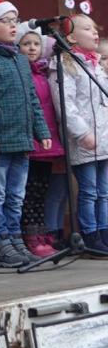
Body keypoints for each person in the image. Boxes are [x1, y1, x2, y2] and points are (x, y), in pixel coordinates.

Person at [0, 0, 52, 267]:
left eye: (15, 21)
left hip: (22, 139)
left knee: (16, 195)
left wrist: (41, 130)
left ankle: (15, 238)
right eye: (5, 21)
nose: (13, 26)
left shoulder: (19, 59)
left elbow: (32, 99)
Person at [49, 13, 108, 253]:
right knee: (89, 191)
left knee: (104, 192)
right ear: (71, 37)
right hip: (84, 140)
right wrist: (82, 133)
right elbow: (65, 104)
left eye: (95, 28)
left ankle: (104, 232)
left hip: (104, 138)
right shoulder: (65, 65)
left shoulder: (96, 65)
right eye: (87, 29)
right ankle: (90, 235)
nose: (94, 32)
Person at [17, 25, 66, 257]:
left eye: (36, 44)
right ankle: (30, 236)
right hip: (31, 141)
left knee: (42, 190)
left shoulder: (44, 73)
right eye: (26, 44)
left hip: (47, 141)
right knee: (29, 191)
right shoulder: (23, 73)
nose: (32, 48)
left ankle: (42, 233)